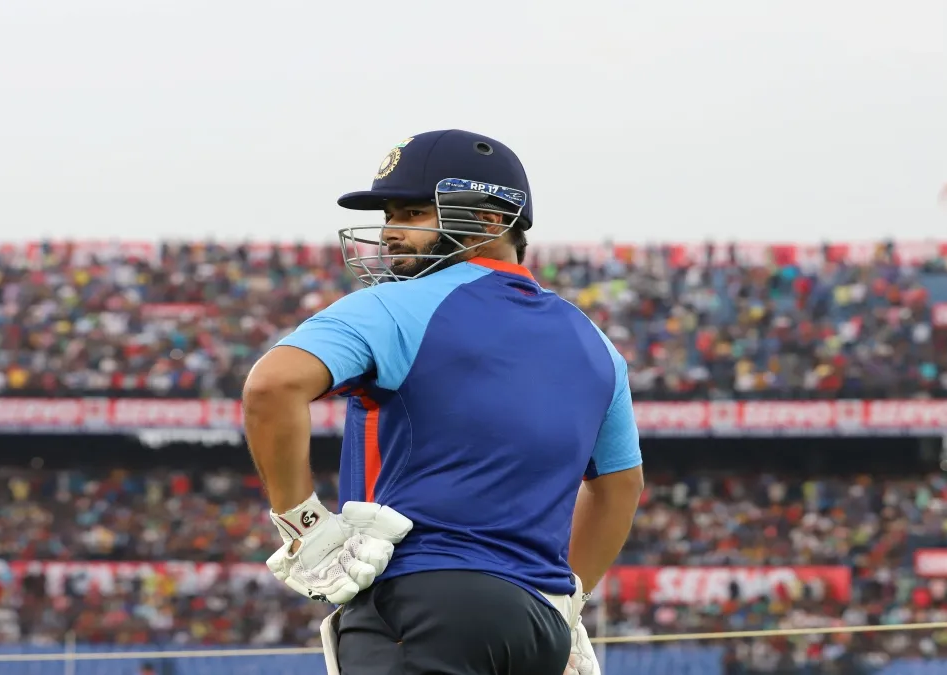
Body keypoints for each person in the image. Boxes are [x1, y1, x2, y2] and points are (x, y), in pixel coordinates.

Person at [243, 129, 645, 675]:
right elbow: (620, 488)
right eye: (389, 216)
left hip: (422, 602)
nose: (389, 234)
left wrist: (303, 525)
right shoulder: (597, 344)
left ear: (491, 221)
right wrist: (567, 601)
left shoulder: (391, 305)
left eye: (411, 214)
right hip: (538, 628)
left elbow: (271, 387)